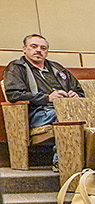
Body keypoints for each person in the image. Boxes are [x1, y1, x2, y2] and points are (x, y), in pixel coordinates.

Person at [4, 34, 84, 165]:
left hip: (66, 107)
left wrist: (76, 95)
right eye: (34, 46)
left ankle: (88, 161)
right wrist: (47, 98)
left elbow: (79, 90)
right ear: (24, 49)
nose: (39, 50)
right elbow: (14, 95)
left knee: (86, 115)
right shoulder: (16, 68)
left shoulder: (57, 68)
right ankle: (63, 162)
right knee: (65, 115)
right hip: (37, 113)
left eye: (43, 48)